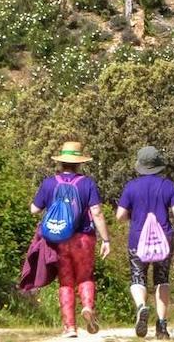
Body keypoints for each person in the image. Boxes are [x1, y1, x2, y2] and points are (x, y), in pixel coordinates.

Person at [30, 141, 112, 338]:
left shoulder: (49, 182)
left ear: (61, 162)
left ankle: (70, 327)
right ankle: (87, 306)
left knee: (65, 281)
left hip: (60, 239)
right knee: (85, 276)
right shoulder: (87, 183)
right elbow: (97, 212)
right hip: (84, 238)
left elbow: (34, 209)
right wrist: (106, 239)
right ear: (79, 163)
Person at [115, 146, 174, 339]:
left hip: (137, 240)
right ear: (158, 165)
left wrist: (133, 214)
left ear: (140, 165)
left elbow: (120, 216)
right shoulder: (167, 186)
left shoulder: (131, 186)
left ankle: (141, 306)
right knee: (162, 280)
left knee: (138, 277)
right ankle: (162, 326)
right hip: (163, 240)